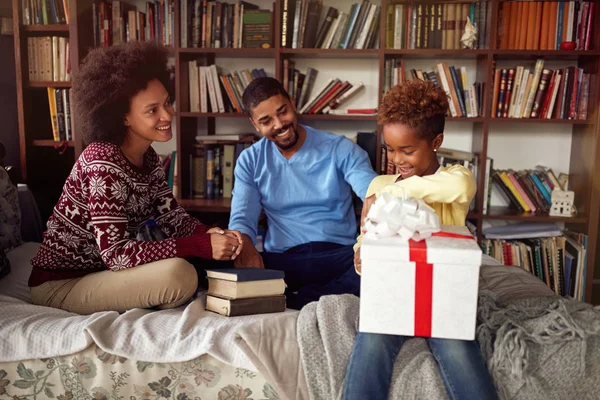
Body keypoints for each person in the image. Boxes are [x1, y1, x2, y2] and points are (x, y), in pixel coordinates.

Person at [28, 41, 243, 315]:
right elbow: (116, 255)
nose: (167, 115)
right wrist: (201, 246)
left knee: (190, 267)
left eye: (167, 103)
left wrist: (211, 234)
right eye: (152, 110)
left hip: (103, 273)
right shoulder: (102, 163)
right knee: (180, 274)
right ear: (124, 118)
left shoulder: (149, 157)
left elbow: (172, 218)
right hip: (62, 284)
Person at [343, 79, 498, 400]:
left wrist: (394, 192)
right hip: (391, 297)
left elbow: (457, 191)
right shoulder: (378, 184)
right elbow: (366, 239)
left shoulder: (456, 178)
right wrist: (361, 256)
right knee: (369, 347)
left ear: (436, 141)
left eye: (408, 150)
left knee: (461, 354)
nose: (397, 159)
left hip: (444, 299)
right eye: (390, 149)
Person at [228, 77, 378, 309]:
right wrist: (244, 249)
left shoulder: (340, 148)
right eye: (266, 120)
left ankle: (295, 299)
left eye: (282, 112)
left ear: (292, 103)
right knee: (216, 263)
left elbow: (372, 191)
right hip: (284, 260)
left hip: (337, 256)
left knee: (377, 265)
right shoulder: (250, 160)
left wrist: (374, 213)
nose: (279, 124)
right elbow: (241, 218)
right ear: (255, 125)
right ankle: (324, 298)